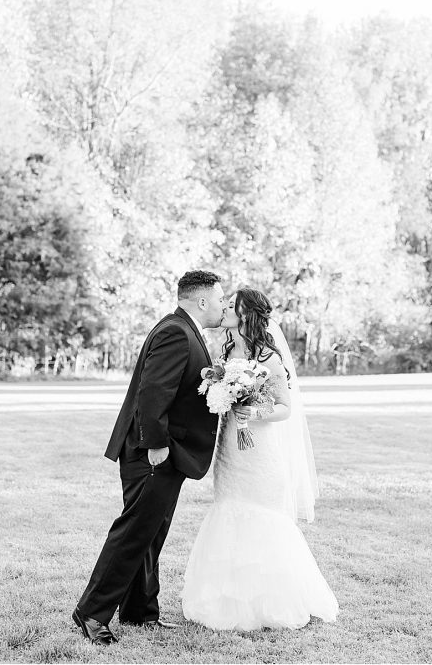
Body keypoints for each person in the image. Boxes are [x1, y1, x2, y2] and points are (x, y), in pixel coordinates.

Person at [73, 270, 225, 645]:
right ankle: (92, 612)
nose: (223, 306)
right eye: (220, 299)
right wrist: (156, 446)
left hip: (167, 450)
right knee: (133, 532)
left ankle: (141, 611)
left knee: (151, 534)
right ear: (201, 300)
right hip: (153, 451)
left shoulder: (187, 330)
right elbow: (152, 394)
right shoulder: (176, 332)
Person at [180, 288, 338, 629]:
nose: (224, 310)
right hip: (229, 451)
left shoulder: (268, 358)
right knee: (228, 509)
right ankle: (226, 600)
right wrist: (221, 396)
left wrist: (253, 410)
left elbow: (284, 408)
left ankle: (272, 601)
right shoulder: (222, 351)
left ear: (246, 314)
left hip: (260, 450)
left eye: (231, 306)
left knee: (262, 516)